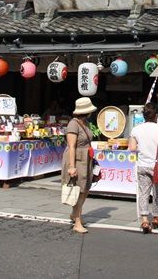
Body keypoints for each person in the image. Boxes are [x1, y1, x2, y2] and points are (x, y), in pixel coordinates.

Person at [128, 102, 158, 233]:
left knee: (143, 193)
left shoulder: (136, 129)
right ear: (156, 115)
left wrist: (142, 148)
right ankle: (157, 217)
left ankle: (144, 220)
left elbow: (132, 148)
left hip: (142, 164)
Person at [61, 97, 97, 234]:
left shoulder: (85, 122)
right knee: (79, 190)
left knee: (85, 187)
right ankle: (77, 221)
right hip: (76, 159)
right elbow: (71, 146)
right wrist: (71, 166)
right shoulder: (73, 124)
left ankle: (75, 215)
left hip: (86, 158)